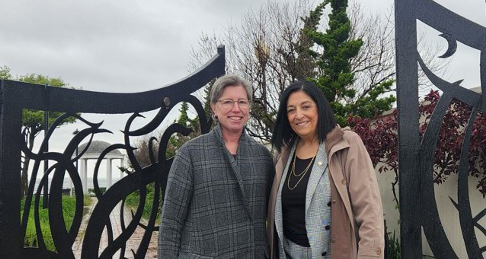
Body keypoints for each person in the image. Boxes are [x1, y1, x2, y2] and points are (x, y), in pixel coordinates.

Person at [159, 74, 274, 259]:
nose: (236, 109)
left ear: (249, 108)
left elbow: (273, 215)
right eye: (228, 102)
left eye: (242, 102)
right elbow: (171, 222)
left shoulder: (263, 156)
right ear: (214, 107)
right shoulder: (191, 153)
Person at [268, 80, 384, 259]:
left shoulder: (346, 144)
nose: (298, 115)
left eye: (306, 106)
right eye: (291, 110)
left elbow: (369, 212)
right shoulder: (283, 153)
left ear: (319, 108)